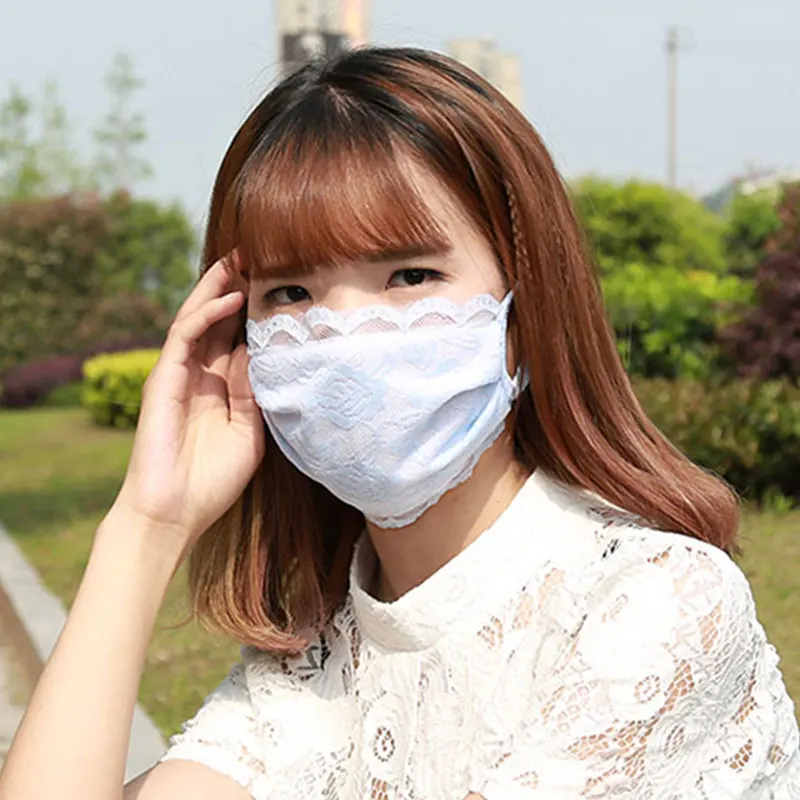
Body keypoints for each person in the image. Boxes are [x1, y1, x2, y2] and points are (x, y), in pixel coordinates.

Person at [0, 46, 797, 800]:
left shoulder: (651, 605)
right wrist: (147, 525)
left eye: (411, 275)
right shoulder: (318, 652)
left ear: (525, 311)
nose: (348, 337)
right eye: (291, 294)